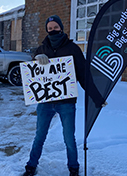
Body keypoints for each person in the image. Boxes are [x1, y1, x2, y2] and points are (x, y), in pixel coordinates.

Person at [23, 15, 107, 176]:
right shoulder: (42, 48)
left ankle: (73, 168)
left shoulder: (72, 48)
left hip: (66, 102)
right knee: (39, 136)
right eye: (50, 28)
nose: (52, 30)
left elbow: (83, 75)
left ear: (61, 27)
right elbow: (32, 72)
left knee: (69, 138)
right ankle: (30, 167)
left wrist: (97, 97)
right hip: (45, 101)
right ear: (47, 30)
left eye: (55, 27)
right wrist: (35, 59)